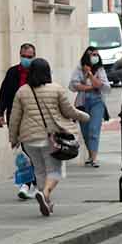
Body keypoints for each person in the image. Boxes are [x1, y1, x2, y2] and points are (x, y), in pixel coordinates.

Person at [8, 58, 89, 217]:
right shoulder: (56, 89)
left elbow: (14, 118)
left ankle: (46, 200)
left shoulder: (22, 91)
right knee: (55, 170)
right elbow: (69, 111)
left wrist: (13, 138)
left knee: (39, 170)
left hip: (29, 139)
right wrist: (84, 116)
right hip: (49, 138)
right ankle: (44, 194)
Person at [69, 47, 110, 168]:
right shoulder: (79, 69)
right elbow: (73, 85)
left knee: (93, 129)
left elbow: (102, 85)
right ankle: (90, 155)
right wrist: (90, 86)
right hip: (82, 103)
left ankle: (94, 158)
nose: (95, 57)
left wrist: (91, 75)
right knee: (85, 131)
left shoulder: (100, 70)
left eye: (97, 54)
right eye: (93, 54)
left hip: (97, 102)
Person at [0, 42, 36, 128]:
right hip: (14, 113)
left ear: (34, 57)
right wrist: (0, 113)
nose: (26, 59)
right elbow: (4, 94)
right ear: (20, 55)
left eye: (29, 57)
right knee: (15, 139)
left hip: (33, 114)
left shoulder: (38, 73)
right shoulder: (12, 72)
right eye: (23, 56)